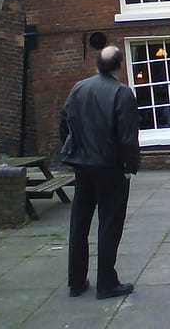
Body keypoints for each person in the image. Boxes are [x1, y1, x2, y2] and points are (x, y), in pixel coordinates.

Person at [59, 45, 140, 299]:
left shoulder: (79, 88)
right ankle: (106, 283)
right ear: (120, 65)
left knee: (79, 223)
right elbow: (127, 136)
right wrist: (129, 166)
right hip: (110, 167)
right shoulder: (122, 93)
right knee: (109, 224)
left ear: (97, 64)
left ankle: (76, 282)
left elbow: (65, 123)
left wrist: (75, 151)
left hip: (83, 165)